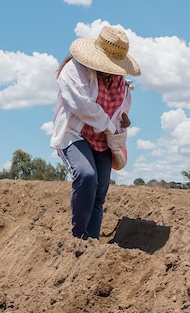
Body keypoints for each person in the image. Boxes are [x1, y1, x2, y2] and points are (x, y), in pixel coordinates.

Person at [50, 26, 141, 240]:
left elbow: (121, 107)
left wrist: (122, 120)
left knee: (100, 191)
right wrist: (110, 125)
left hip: (103, 140)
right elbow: (83, 106)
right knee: (86, 175)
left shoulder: (120, 81)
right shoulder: (74, 71)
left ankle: (93, 240)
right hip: (75, 133)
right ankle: (79, 236)